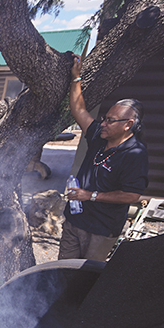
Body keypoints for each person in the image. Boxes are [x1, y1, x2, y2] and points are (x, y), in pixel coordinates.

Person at [60, 54, 149, 261]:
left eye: (110, 121)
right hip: (74, 221)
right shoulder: (99, 137)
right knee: (61, 272)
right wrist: (75, 78)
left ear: (129, 124)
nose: (104, 124)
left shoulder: (135, 154)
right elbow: (78, 109)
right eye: (104, 119)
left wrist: (90, 195)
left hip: (101, 229)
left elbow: (131, 195)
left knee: (86, 276)